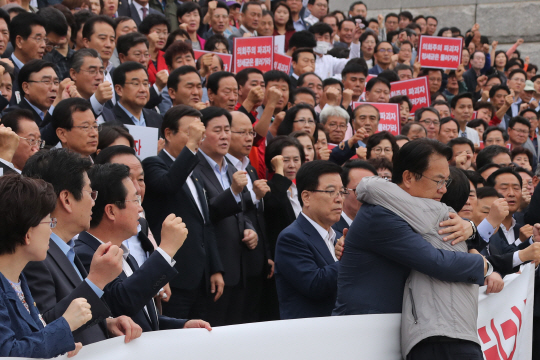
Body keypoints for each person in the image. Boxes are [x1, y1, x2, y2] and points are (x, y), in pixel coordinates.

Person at [333, 139, 489, 317]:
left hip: (397, 324)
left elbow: (447, 239)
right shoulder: (380, 214)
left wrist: (469, 227)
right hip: (365, 325)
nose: (443, 190)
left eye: (446, 181)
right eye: (438, 181)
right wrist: (482, 265)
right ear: (408, 178)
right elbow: (434, 260)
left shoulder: (416, 211)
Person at [22, 148, 141, 346]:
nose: (93, 202)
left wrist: (106, 323)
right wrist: (96, 281)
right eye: (90, 193)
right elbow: (43, 329)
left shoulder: (67, 248)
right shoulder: (36, 255)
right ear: (67, 199)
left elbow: (75, 312)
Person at [75, 162, 212, 333]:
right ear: (111, 211)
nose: (140, 208)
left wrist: (181, 326)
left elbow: (141, 318)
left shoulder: (125, 254)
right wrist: (166, 250)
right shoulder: (84, 254)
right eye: (135, 200)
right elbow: (120, 304)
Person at [142, 105, 224, 321]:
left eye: (199, 132)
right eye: (190, 132)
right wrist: (191, 147)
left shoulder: (194, 170)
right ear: (168, 133)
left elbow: (205, 222)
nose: (197, 138)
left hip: (201, 275)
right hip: (173, 276)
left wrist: (215, 268)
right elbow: (168, 185)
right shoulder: (153, 163)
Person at [0, 174, 88, 358]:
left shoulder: (18, 278)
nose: (51, 229)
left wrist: (60, 348)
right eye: (49, 222)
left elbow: (33, 338)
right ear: (27, 233)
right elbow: (8, 353)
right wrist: (66, 324)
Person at [195, 106, 258, 326]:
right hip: (213, 271)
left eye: (227, 129)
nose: (224, 136)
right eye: (218, 130)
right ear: (201, 134)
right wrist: (232, 191)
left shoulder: (231, 168)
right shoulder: (194, 168)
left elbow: (244, 209)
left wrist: (250, 228)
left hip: (239, 268)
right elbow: (203, 214)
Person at [274, 160, 343, 319]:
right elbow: (314, 285)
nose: (339, 199)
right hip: (309, 334)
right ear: (306, 197)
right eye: (331, 191)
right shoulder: (291, 238)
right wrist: (353, 258)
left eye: (342, 191)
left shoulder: (339, 236)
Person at [8, 13, 47, 105]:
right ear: (19, 41)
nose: (43, 45)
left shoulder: (46, 72)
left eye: (44, 39)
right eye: (38, 39)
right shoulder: (6, 73)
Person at [69, 48, 115, 123]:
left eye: (101, 71)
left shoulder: (108, 112)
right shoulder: (65, 109)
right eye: (92, 71)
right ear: (73, 74)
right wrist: (96, 101)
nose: (99, 77)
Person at [112, 61, 163, 128]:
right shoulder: (110, 119)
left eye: (145, 84)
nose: (143, 89)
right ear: (119, 89)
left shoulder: (157, 119)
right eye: (136, 84)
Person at [332, 160, 377, 234]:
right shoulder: (332, 232)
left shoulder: (382, 227)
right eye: (360, 190)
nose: (368, 196)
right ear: (342, 192)